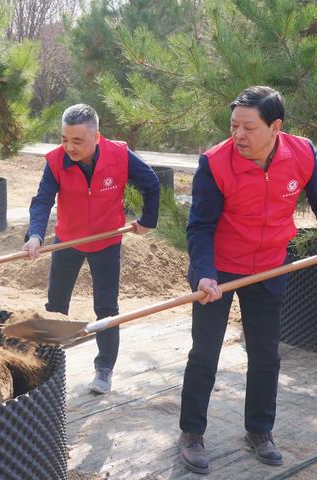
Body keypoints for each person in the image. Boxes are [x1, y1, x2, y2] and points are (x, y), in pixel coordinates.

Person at [179, 86, 317, 474]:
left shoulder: (304, 154)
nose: (238, 135)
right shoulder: (215, 162)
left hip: (270, 266)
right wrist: (205, 274)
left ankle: (260, 430)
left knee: (266, 354)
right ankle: (191, 432)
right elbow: (201, 225)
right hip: (218, 270)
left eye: (248, 127)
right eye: (233, 125)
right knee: (204, 353)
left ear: (276, 127)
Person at [23, 104, 160, 394]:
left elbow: (151, 183)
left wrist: (148, 221)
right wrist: (35, 235)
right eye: (64, 139)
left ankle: (104, 369)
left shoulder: (119, 155)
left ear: (97, 137)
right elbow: (43, 200)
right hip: (67, 241)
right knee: (56, 306)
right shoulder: (56, 161)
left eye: (77, 141)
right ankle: (49, 367)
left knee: (106, 308)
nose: (69, 147)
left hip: (106, 241)